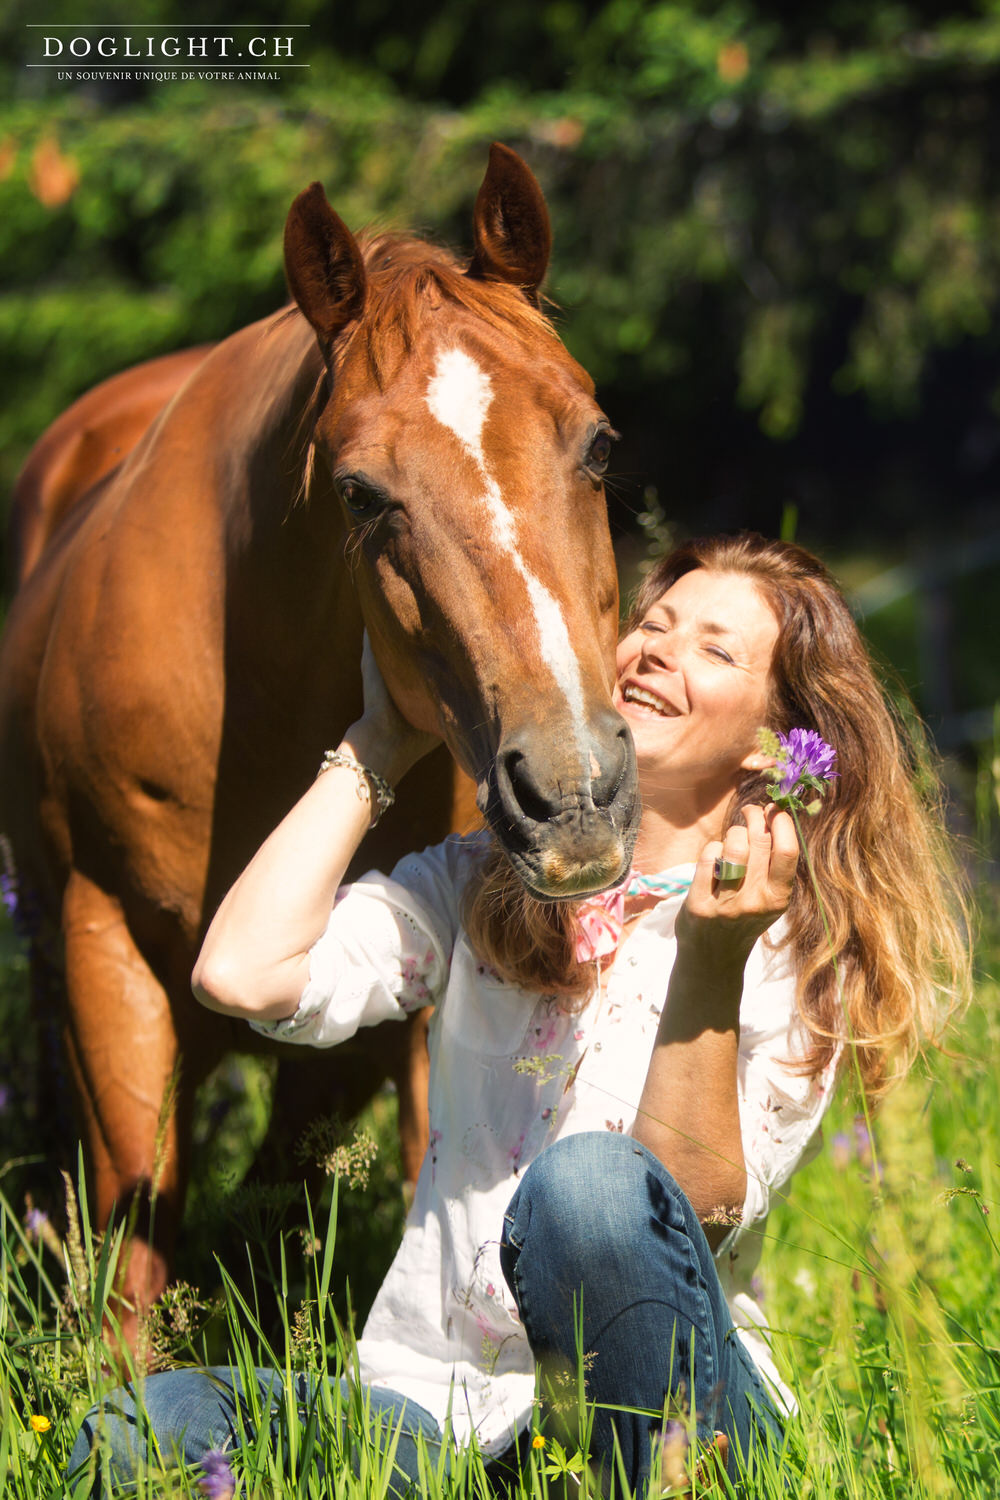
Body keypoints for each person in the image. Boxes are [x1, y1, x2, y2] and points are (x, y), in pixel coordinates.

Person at [68, 532, 969, 1497]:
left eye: (715, 649)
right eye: (652, 624)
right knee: (144, 1425)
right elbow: (243, 973)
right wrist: (381, 744)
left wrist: (708, 962)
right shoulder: (480, 885)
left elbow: (687, 1210)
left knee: (588, 1190)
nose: (658, 648)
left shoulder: (790, 942)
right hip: (436, 1414)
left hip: (673, 1423)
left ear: (771, 740)